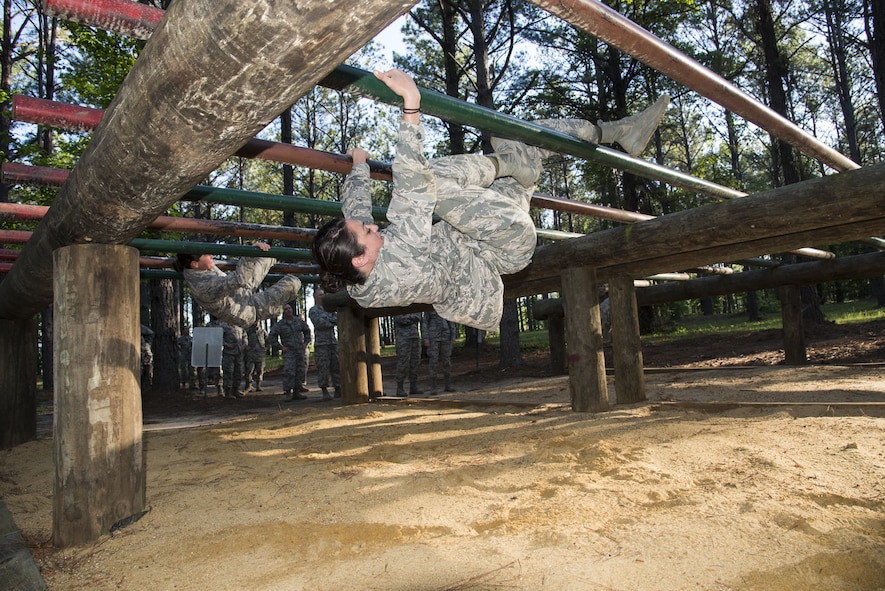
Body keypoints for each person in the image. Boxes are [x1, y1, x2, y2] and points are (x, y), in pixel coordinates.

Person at [312, 68, 668, 331]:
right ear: (361, 259)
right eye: (369, 232)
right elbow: (413, 189)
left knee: (518, 135)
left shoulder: (354, 269)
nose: (374, 226)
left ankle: (621, 131)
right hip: (503, 244)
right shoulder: (399, 264)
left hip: (482, 227)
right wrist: (411, 104)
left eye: (368, 226)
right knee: (430, 179)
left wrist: (358, 168)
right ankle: (510, 163)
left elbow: (353, 216)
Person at [174, 241, 302, 329]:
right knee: (293, 283)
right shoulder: (204, 286)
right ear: (194, 264)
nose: (211, 256)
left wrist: (256, 252)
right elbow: (239, 279)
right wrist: (249, 253)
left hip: (243, 292)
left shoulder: (197, 268)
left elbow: (240, 280)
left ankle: (276, 304)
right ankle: (276, 306)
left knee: (267, 255)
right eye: (207, 255)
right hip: (249, 309)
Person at [268, 304, 308, 401]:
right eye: (286, 309)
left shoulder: (298, 321)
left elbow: (307, 331)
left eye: (289, 308)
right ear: (283, 312)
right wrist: (281, 347)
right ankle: (288, 393)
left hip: (299, 351)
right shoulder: (280, 325)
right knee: (289, 372)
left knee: (300, 371)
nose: (288, 310)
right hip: (289, 352)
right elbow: (271, 337)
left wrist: (305, 343)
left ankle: (297, 392)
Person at [308, 289, 340, 401]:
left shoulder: (329, 309)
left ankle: (338, 388)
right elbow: (320, 323)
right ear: (315, 297)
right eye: (320, 295)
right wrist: (331, 322)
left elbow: (337, 319)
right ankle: (325, 390)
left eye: (323, 295)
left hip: (332, 342)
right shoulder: (313, 310)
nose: (323, 297)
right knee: (323, 368)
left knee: (336, 366)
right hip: (322, 344)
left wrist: (330, 321)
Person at [423, 310, 457, 394]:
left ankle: (448, 385)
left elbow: (451, 321)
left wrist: (453, 335)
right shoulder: (429, 307)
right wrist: (426, 338)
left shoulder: (445, 305)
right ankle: (434, 387)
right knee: (433, 361)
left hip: (446, 336)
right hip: (433, 338)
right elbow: (425, 323)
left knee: (447, 361)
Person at [393, 313, 422, 397]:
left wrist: (408, 316)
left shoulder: (413, 305)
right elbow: (399, 320)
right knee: (403, 362)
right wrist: (411, 319)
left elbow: (418, 317)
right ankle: (400, 388)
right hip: (403, 338)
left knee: (415, 362)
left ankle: (413, 387)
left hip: (415, 336)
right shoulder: (398, 304)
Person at [220, 321, 247, 399]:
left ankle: (236, 390)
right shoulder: (224, 326)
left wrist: (244, 345)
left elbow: (245, 337)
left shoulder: (240, 326)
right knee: (228, 372)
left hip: (238, 353)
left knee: (238, 372)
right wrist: (226, 344)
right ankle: (228, 392)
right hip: (229, 353)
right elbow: (219, 337)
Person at [244, 321, 268, 392]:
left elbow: (268, 340)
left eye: (257, 322)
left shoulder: (263, 332)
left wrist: (266, 348)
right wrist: (246, 346)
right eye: (254, 322)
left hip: (261, 355)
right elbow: (244, 339)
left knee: (260, 371)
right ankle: (249, 385)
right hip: (251, 354)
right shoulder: (248, 331)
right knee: (249, 370)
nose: (256, 323)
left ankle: (258, 385)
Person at [177, 326, 196, 391]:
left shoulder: (192, 338)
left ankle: (192, 384)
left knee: (192, 369)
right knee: (183, 369)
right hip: (183, 355)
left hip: (190, 355)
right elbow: (178, 345)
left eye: (188, 330)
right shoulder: (180, 339)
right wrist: (181, 349)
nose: (187, 331)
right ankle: (183, 383)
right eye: (186, 330)